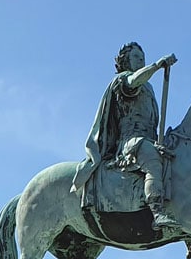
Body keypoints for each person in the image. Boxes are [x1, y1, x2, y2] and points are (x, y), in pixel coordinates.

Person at [71, 41, 177, 226]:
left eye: (143, 58)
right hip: (130, 141)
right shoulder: (123, 79)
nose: (141, 60)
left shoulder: (148, 88)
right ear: (125, 61)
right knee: (152, 160)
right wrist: (157, 66)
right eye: (136, 57)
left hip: (149, 138)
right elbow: (133, 82)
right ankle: (157, 212)